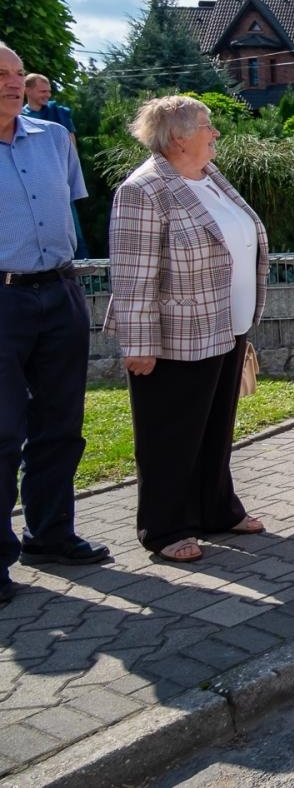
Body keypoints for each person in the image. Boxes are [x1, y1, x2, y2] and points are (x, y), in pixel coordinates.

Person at [107, 95, 270, 563]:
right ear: (178, 136)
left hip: (225, 325)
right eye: (206, 125)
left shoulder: (208, 177)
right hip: (177, 334)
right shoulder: (144, 189)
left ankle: (216, 510)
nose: (214, 133)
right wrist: (138, 344)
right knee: (170, 435)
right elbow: (133, 272)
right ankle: (163, 527)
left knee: (216, 428)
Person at [0, 44, 109, 604]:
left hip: (60, 290)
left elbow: (70, 208)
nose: (13, 83)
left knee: (61, 422)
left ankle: (50, 534)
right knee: (2, 431)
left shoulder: (53, 138)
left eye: (18, 74)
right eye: (2, 75)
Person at [22, 73, 87, 257]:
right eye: (42, 91)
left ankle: (84, 274)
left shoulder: (59, 114)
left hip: (57, 180)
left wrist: (67, 179)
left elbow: (71, 149)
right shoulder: (18, 117)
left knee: (72, 229)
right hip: (30, 182)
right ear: (28, 90)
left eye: (49, 91)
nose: (47, 95)